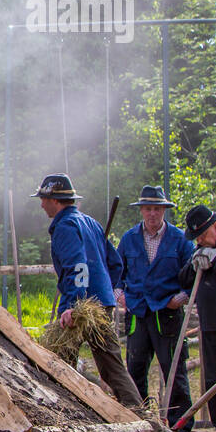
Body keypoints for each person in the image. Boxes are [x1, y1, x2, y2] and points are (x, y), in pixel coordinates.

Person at [31, 173, 145, 409]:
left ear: (55, 199)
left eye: (43, 198)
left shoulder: (65, 226)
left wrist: (74, 304)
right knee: (111, 366)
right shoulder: (90, 223)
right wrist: (105, 291)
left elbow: (78, 266)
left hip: (82, 307)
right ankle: (137, 411)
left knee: (60, 363)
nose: (41, 204)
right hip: (101, 303)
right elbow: (115, 264)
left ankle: (66, 413)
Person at [117, 185, 195, 424]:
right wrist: (120, 295)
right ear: (141, 210)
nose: (152, 214)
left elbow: (192, 277)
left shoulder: (180, 240)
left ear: (164, 211)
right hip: (138, 312)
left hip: (167, 313)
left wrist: (180, 299)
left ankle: (180, 423)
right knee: (135, 366)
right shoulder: (129, 239)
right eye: (148, 209)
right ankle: (137, 418)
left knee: (174, 368)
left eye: (157, 209)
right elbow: (117, 273)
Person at [177, 205, 216, 432]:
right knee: (213, 378)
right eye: (197, 237)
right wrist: (194, 264)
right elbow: (183, 280)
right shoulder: (199, 251)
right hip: (209, 325)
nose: (200, 240)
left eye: (203, 234)